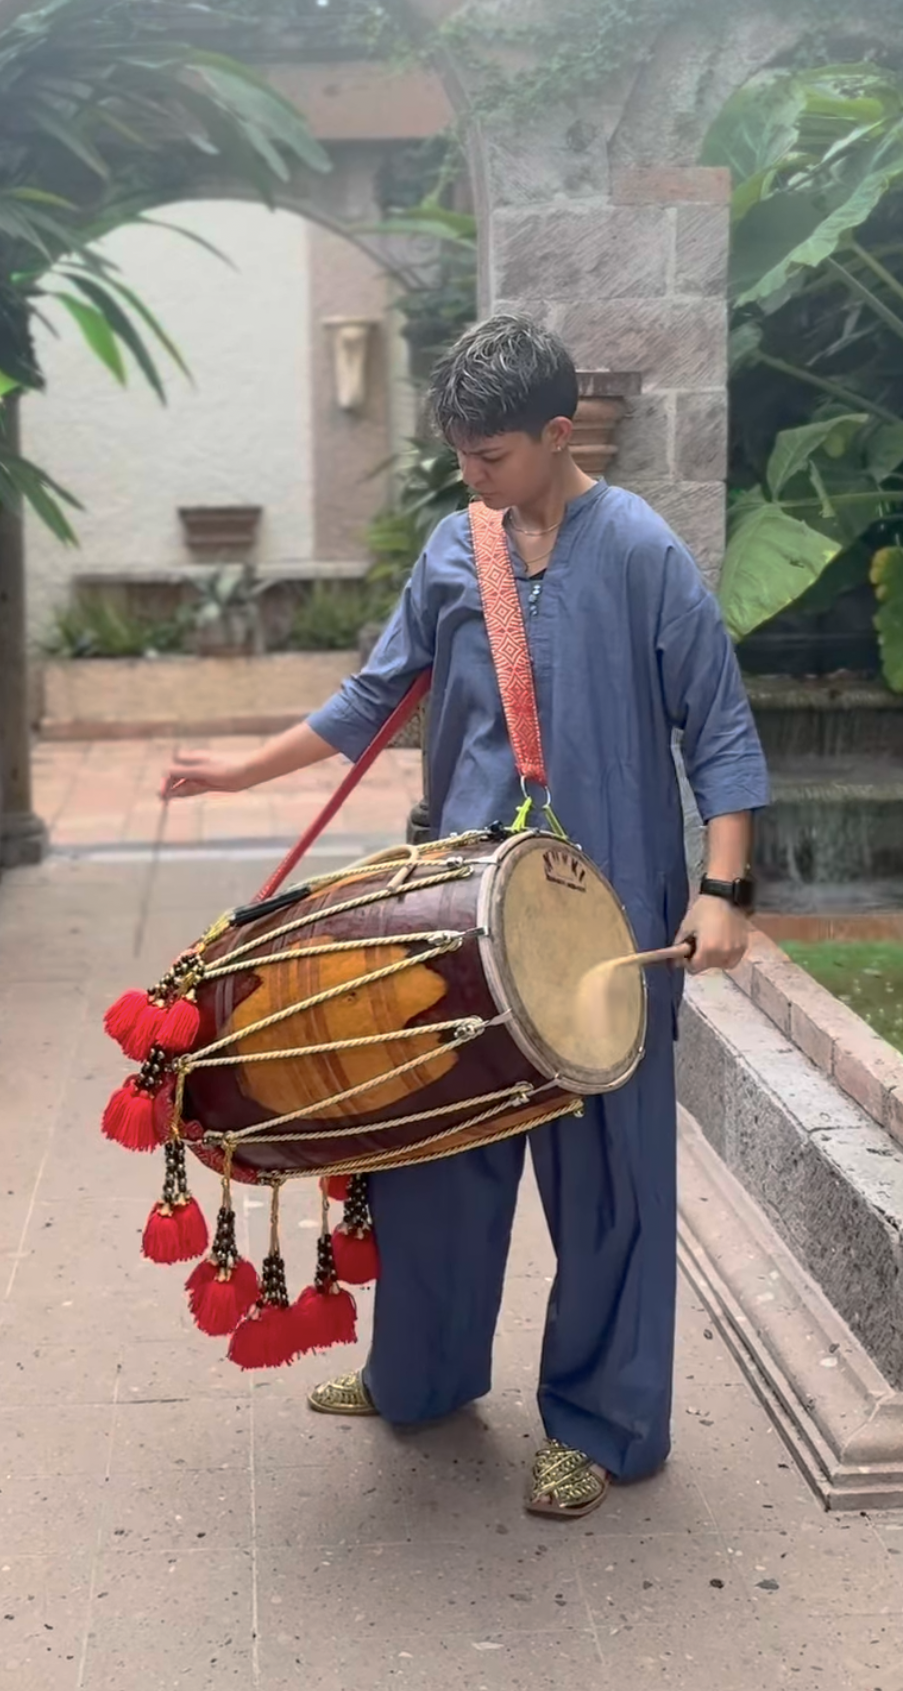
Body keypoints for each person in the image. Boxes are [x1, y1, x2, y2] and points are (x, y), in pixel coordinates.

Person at [162, 315, 768, 1517]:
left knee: (609, 1187)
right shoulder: (457, 550)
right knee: (433, 1150)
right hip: (449, 919)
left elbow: (721, 727)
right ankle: (422, 1375)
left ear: (558, 434)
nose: (471, 475)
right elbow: (371, 697)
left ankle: (599, 1426)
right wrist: (242, 773)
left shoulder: (643, 551)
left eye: (491, 455)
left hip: (607, 927)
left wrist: (725, 888)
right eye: (460, 454)